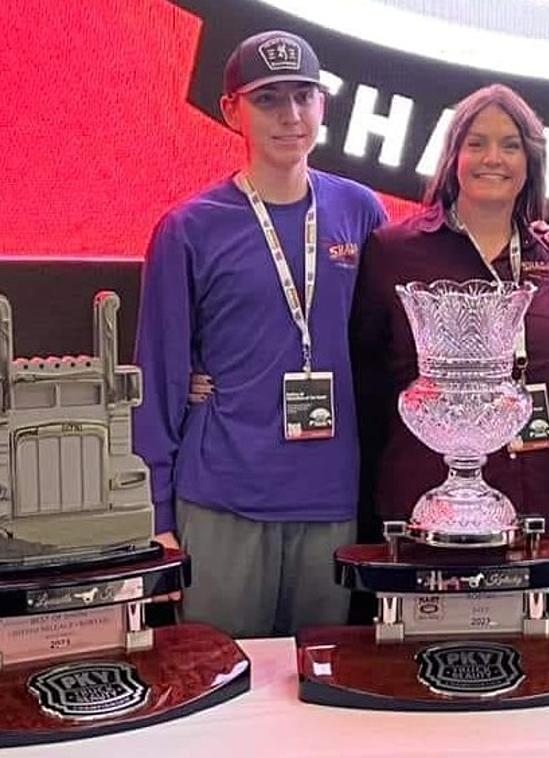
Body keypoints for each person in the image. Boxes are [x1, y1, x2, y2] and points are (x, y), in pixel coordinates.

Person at [133, 30, 387, 637]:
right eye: (269, 98)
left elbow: (392, 347)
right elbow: (158, 378)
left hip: (331, 498)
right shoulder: (189, 228)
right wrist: (156, 512)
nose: (290, 116)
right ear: (231, 110)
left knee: (317, 697)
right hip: (221, 496)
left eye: (304, 96)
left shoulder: (361, 212)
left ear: (324, 106)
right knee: (220, 687)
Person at [349, 85, 549, 568]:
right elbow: (366, 380)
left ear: (530, 162)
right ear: (453, 154)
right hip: (425, 510)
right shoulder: (393, 251)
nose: (493, 158)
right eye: (476, 143)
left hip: (546, 506)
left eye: (510, 144)